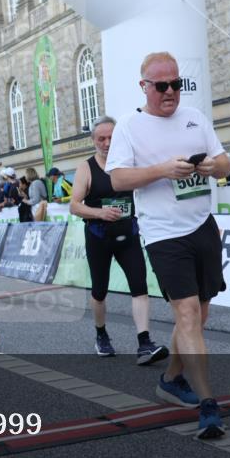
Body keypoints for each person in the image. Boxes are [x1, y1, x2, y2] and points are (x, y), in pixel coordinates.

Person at [107, 52, 230, 440]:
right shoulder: (129, 125)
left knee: (198, 316)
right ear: (144, 86)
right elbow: (117, 181)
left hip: (202, 226)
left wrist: (214, 167)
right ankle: (209, 406)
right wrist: (162, 170)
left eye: (176, 84)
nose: (170, 92)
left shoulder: (195, 117)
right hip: (163, 234)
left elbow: (225, 163)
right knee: (189, 315)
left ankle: (171, 378)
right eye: (161, 86)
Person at [70, 115, 169, 365]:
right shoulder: (86, 168)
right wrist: (99, 213)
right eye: (101, 138)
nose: (106, 143)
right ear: (93, 141)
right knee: (99, 291)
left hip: (129, 233)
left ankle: (144, 342)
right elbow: (74, 206)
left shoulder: (129, 163)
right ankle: (101, 334)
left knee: (140, 285)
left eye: (111, 138)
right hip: (98, 236)